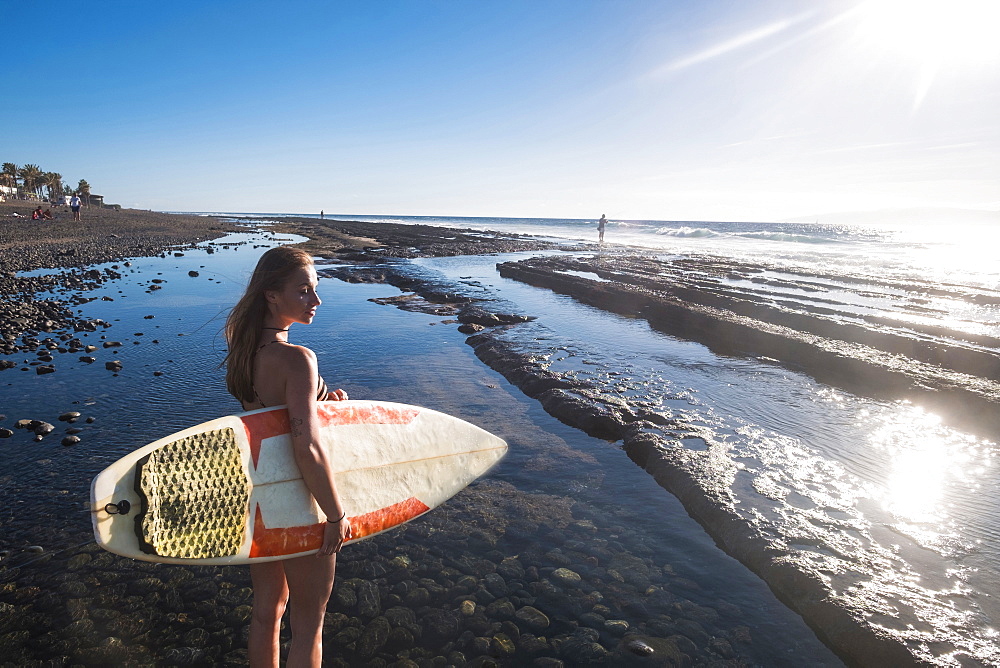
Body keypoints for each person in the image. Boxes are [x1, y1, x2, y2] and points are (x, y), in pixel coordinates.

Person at [223, 246, 352, 667]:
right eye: (304, 291)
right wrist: (335, 515)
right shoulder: (298, 359)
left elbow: (273, 420)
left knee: (267, 612)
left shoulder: (244, 352)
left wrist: (321, 403)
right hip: (300, 500)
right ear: (271, 295)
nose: (315, 301)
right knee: (310, 622)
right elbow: (306, 446)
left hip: (262, 495)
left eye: (315, 290)